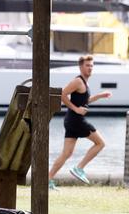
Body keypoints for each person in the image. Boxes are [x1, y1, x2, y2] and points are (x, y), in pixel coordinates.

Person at [48, 55, 112, 190]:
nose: (90, 68)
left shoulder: (85, 83)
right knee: (100, 143)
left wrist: (101, 95)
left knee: (66, 154)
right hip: (76, 120)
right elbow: (62, 95)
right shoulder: (78, 81)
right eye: (87, 65)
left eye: (91, 66)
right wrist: (76, 109)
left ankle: (47, 180)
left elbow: (85, 101)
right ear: (81, 67)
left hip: (71, 121)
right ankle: (79, 168)